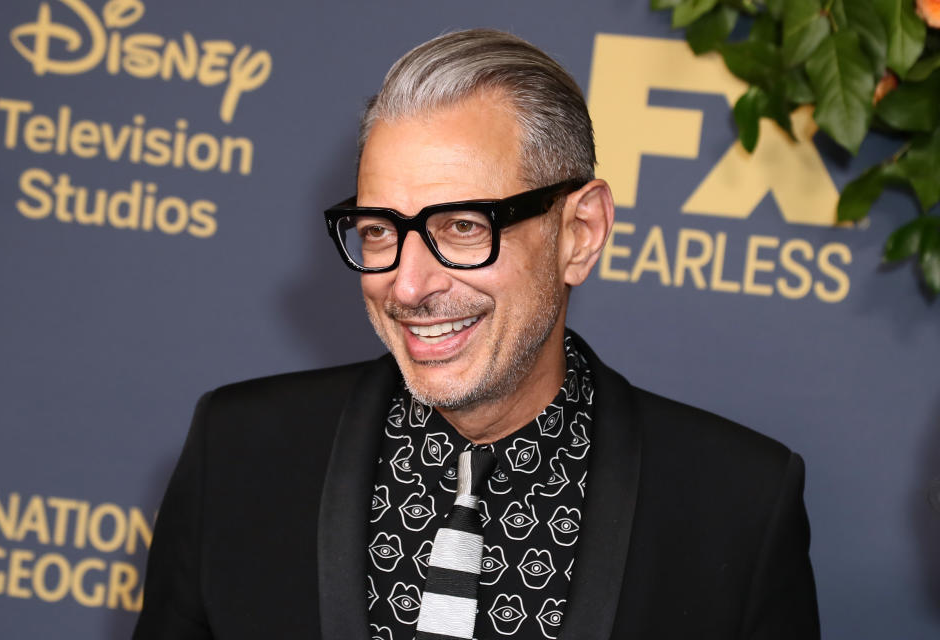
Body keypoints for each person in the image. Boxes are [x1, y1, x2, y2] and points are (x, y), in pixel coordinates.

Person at [134, 29, 820, 640]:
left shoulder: (737, 505)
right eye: (379, 231)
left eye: (462, 226)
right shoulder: (237, 453)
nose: (407, 286)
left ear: (579, 234)